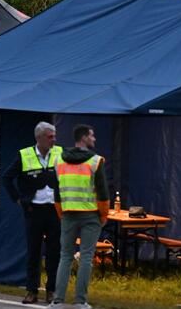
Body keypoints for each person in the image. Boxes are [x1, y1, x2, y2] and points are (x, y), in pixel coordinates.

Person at [50, 125, 110, 309]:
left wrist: (62, 213)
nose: (94, 139)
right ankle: (80, 301)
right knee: (86, 257)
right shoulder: (95, 161)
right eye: (92, 135)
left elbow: (57, 193)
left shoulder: (59, 160)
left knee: (65, 256)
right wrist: (103, 215)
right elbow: (102, 192)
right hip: (90, 214)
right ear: (84, 137)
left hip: (68, 214)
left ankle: (57, 300)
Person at [3, 122, 63, 305]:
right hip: (34, 209)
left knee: (54, 251)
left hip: (55, 209)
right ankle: (31, 291)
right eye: (50, 136)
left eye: (54, 136)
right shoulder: (25, 155)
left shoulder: (60, 153)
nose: (54, 139)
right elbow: (7, 177)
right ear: (39, 138)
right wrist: (18, 199)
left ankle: (51, 290)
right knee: (33, 251)